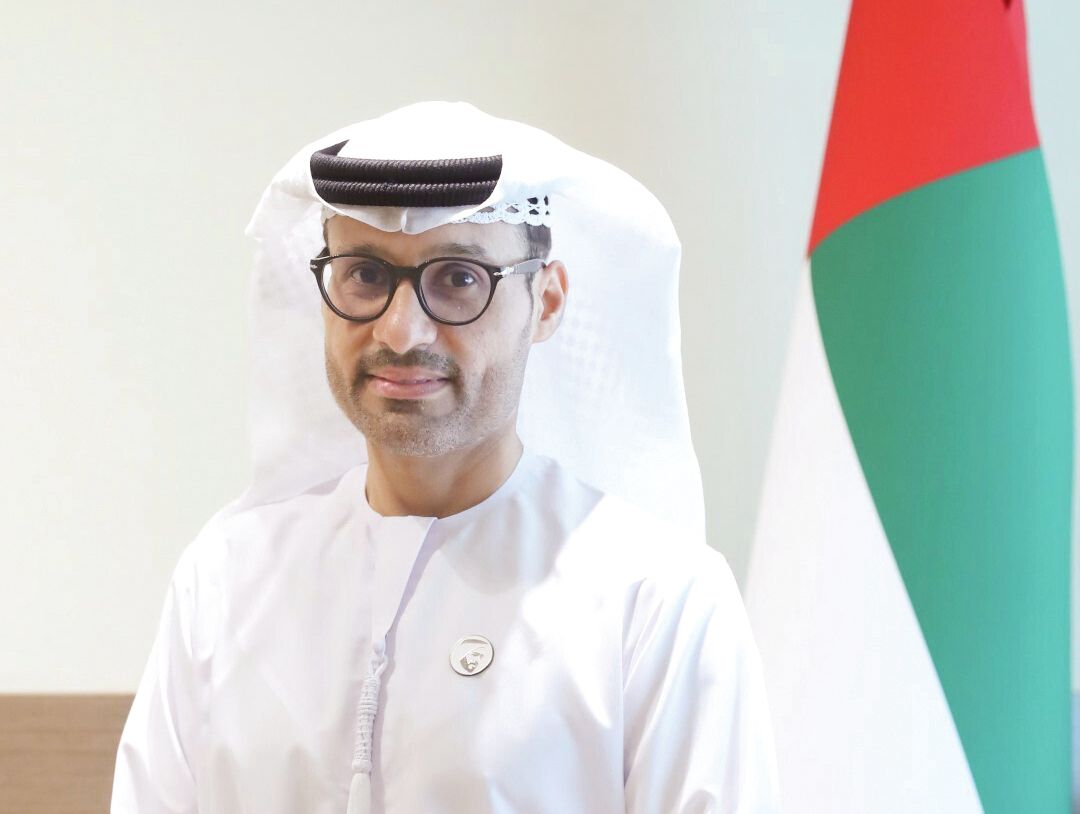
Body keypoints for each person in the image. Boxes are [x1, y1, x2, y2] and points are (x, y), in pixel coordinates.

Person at [111, 101, 780, 813]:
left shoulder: (655, 600)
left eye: (459, 278)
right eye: (365, 276)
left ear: (548, 301)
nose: (401, 332)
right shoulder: (227, 578)